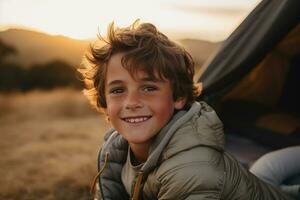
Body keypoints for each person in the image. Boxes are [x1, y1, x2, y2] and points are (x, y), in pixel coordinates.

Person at [79, 21, 292, 200]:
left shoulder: (192, 167)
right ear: (105, 104)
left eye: (149, 88)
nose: (131, 102)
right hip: (256, 179)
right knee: (268, 168)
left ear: (179, 97)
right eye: (117, 90)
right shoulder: (114, 151)